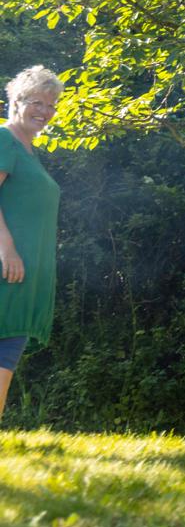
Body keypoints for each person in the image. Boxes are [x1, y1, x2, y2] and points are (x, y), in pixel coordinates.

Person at [0, 66, 63, 423]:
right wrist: (6, 249)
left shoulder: (28, 150)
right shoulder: (4, 139)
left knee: (7, 349)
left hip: (24, 275)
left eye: (51, 104)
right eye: (36, 102)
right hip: (6, 265)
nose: (45, 110)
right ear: (16, 101)